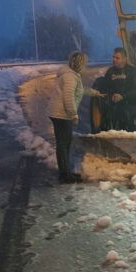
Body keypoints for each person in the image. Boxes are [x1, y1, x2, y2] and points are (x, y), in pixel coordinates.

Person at [48, 51, 100, 183]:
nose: (86, 66)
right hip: (61, 114)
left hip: (60, 113)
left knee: (65, 144)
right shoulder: (70, 77)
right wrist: (73, 115)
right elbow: (68, 97)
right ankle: (65, 175)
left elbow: (80, 90)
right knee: (63, 144)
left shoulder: (72, 75)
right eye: (85, 63)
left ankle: (66, 173)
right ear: (80, 63)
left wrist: (95, 93)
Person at [102, 47, 136, 131]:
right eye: (113, 57)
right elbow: (104, 87)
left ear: (124, 59)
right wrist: (111, 96)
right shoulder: (110, 71)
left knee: (129, 133)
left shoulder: (133, 72)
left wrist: (123, 96)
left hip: (130, 108)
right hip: (114, 108)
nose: (114, 60)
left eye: (117, 58)